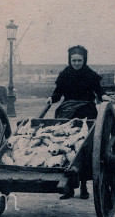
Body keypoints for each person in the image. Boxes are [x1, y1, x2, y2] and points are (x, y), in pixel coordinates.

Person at [45, 45, 110, 200]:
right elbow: (57, 94)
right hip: (67, 111)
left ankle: (84, 186)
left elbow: (99, 93)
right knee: (65, 145)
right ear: (70, 60)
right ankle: (68, 187)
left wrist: (104, 97)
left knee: (84, 147)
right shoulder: (64, 74)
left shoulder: (90, 75)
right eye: (73, 60)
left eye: (79, 60)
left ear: (84, 60)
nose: (76, 63)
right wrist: (51, 99)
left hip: (86, 111)